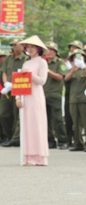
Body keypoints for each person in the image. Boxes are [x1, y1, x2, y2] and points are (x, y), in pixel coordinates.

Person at [15, 36, 49, 166]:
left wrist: (30, 74)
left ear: (38, 49)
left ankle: (40, 157)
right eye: (28, 47)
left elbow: (42, 81)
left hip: (36, 96)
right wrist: (17, 98)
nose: (30, 49)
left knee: (37, 124)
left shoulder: (42, 62)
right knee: (27, 125)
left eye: (33, 47)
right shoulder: (25, 63)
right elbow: (19, 82)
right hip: (26, 97)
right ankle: (28, 156)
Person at [64, 46, 86, 152]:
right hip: (73, 99)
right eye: (74, 57)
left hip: (85, 99)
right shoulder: (70, 70)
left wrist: (84, 67)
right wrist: (73, 70)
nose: (77, 59)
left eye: (79, 57)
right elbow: (66, 79)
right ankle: (78, 143)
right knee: (75, 123)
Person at [1, 37, 27, 147]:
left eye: (16, 45)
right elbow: (4, 71)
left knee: (17, 115)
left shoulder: (26, 59)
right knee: (3, 114)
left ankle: (16, 138)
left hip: (19, 89)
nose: (14, 47)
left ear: (22, 46)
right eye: (13, 45)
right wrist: (6, 82)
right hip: (8, 89)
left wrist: (15, 85)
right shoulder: (8, 58)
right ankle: (8, 136)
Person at [43, 41, 69, 149]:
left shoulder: (60, 63)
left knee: (57, 119)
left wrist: (48, 71)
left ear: (55, 52)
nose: (48, 52)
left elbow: (60, 77)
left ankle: (62, 140)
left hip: (55, 95)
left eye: (51, 50)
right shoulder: (42, 62)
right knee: (46, 120)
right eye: (47, 50)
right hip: (43, 94)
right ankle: (50, 140)